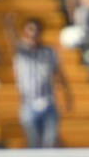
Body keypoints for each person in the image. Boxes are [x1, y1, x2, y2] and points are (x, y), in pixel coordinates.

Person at [6, 14, 70, 149]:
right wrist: (10, 27)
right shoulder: (21, 51)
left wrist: (67, 95)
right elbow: (13, 41)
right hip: (28, 103)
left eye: (36, 30)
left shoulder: (49, 52)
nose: (33, 34)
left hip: (48, 101)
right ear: (25, 32)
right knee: (33, 141)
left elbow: (58, 74)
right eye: (30, 30)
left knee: (50, 140)